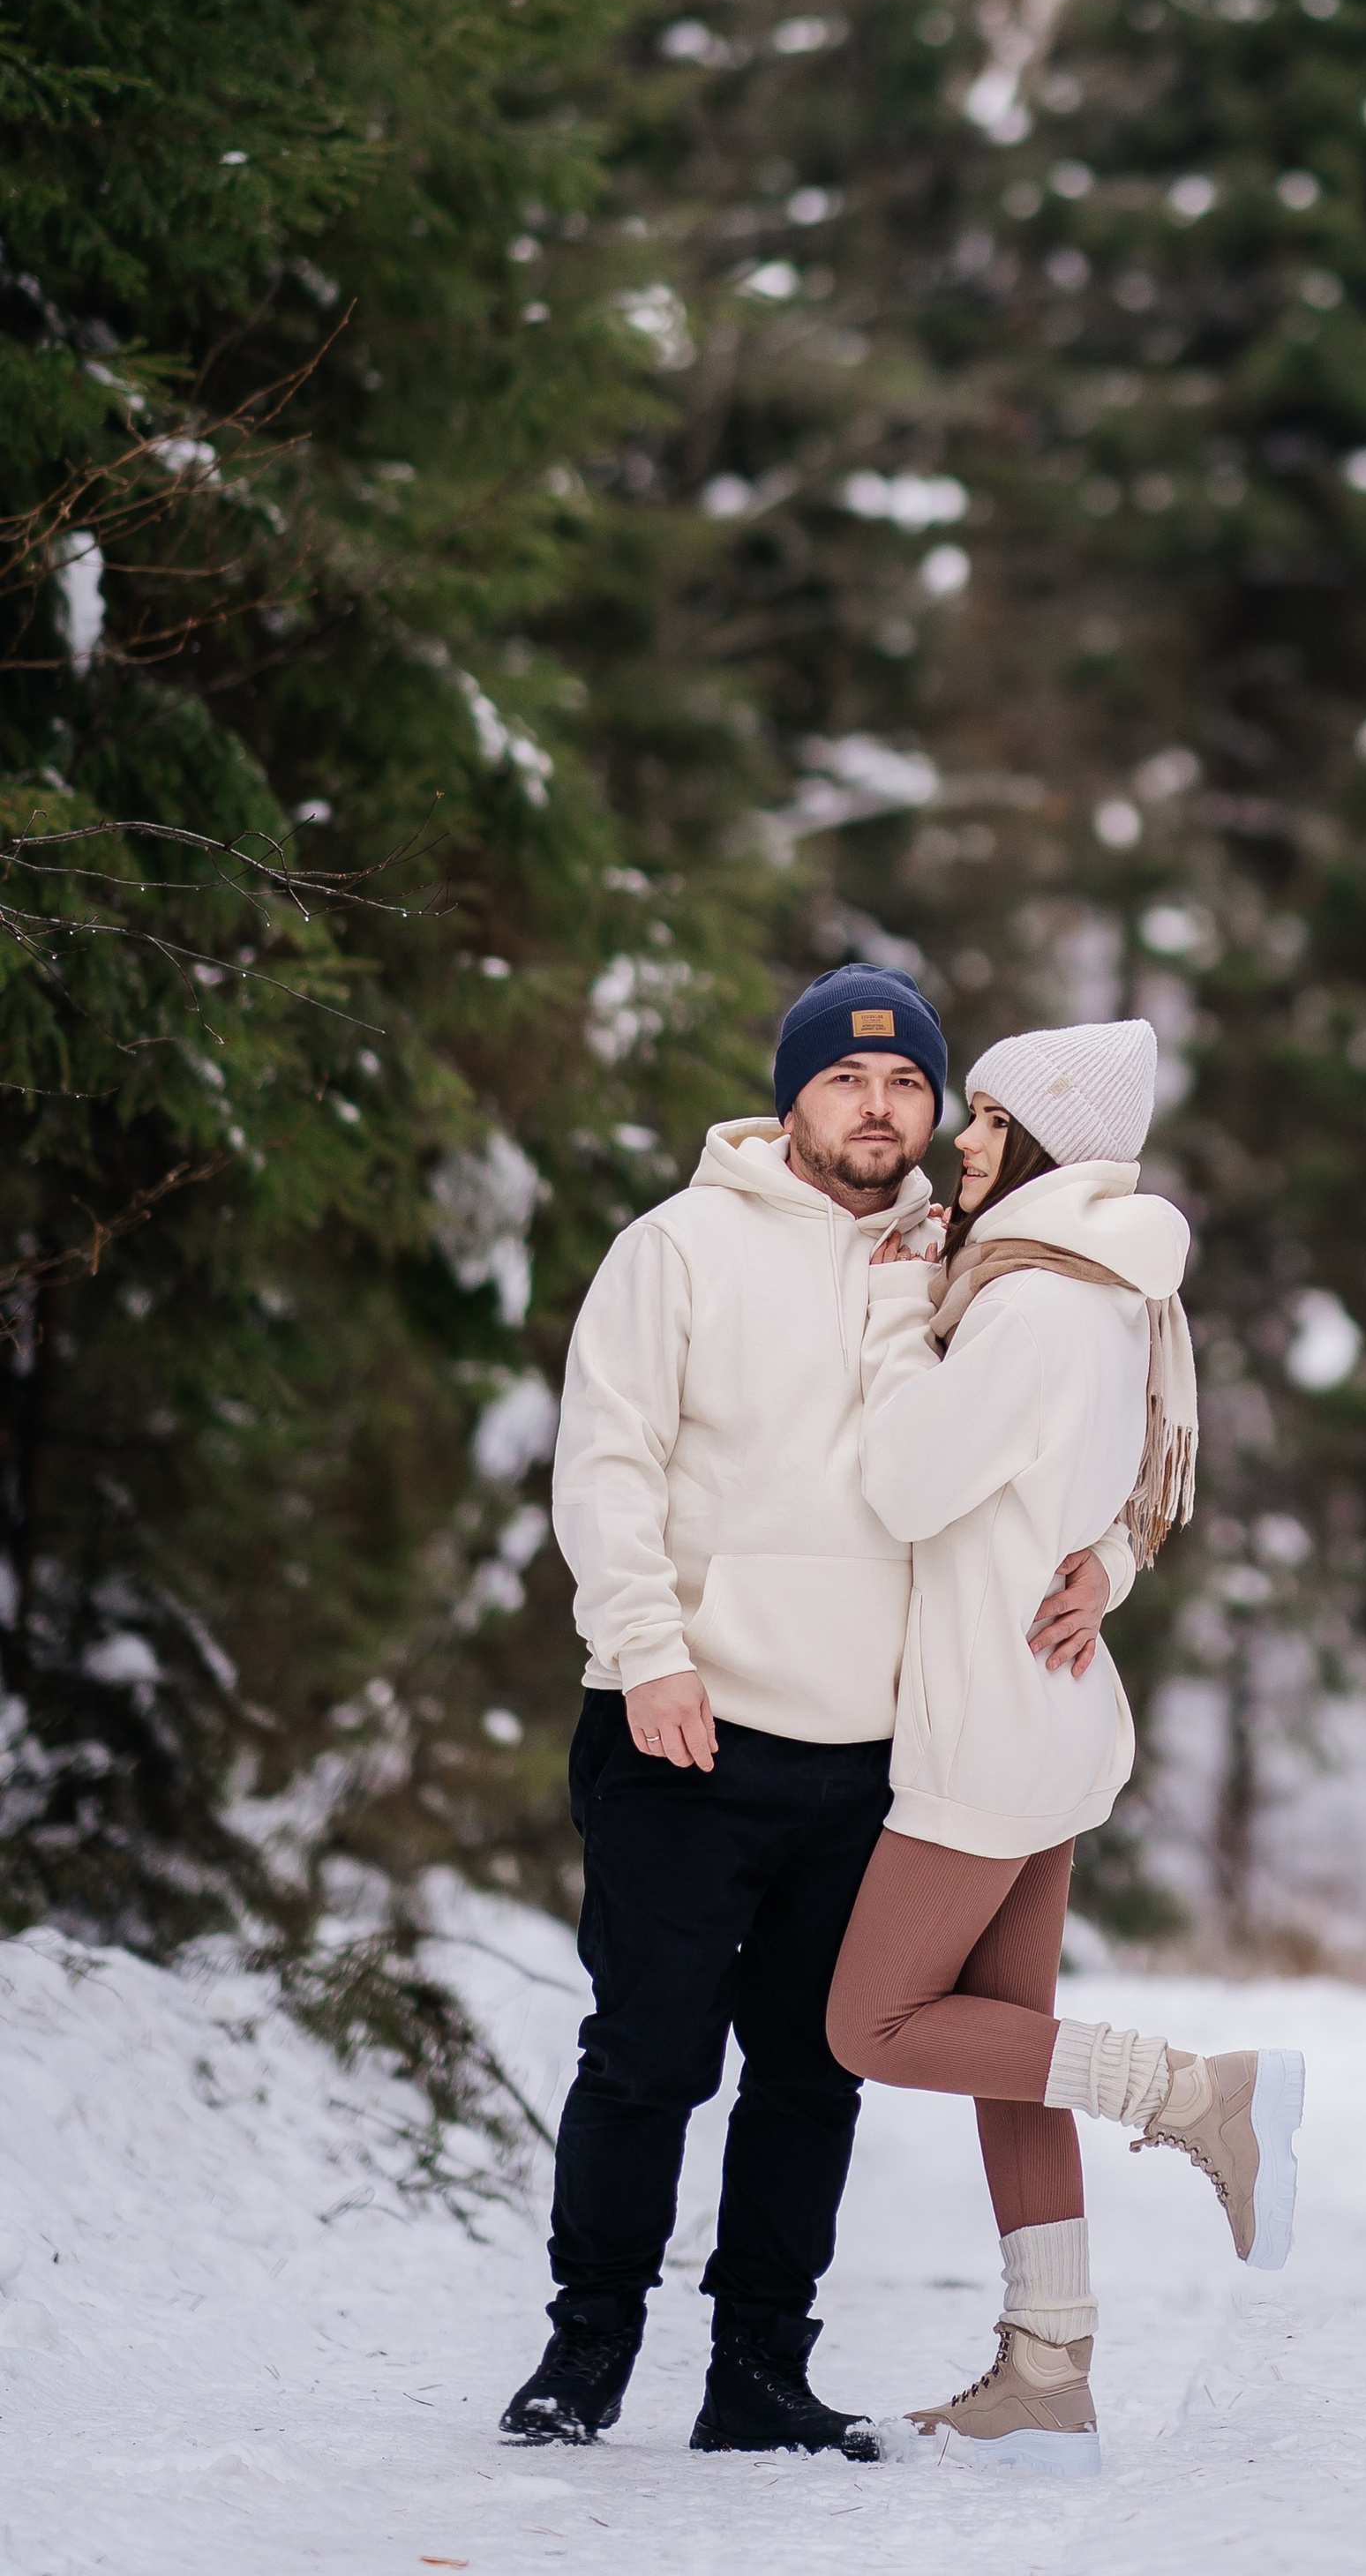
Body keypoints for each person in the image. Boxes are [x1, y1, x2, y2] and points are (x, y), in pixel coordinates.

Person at [499, 965, 1132, 2456]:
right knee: (648, 2057)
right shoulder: (677, 1249)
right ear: (791, 1095)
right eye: (848, 1080)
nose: (880, 1107)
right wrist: (648, 1651)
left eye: (909, 1084)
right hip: (687, 1726)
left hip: (875, 1754)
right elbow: (606, 1466)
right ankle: (583, 2354)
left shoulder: (971, 1263)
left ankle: (760, 2374)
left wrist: (1104, 1560)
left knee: (811, 2074)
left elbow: (1098, 1425)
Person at [825, 1016, 1305, 2478]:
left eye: (981, 1120)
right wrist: (1112, 1560)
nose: (958, 1144)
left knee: (871, 2025)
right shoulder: (1110, 1288)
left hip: (983, 1724)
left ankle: (1197, 2097)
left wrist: (902, 1316)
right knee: (1008, 2059)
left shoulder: (1023, 1306)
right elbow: (1134, 1488)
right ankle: (1047, 2373)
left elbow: (905, 1485)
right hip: (1053, 1716)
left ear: (1041, 1146)